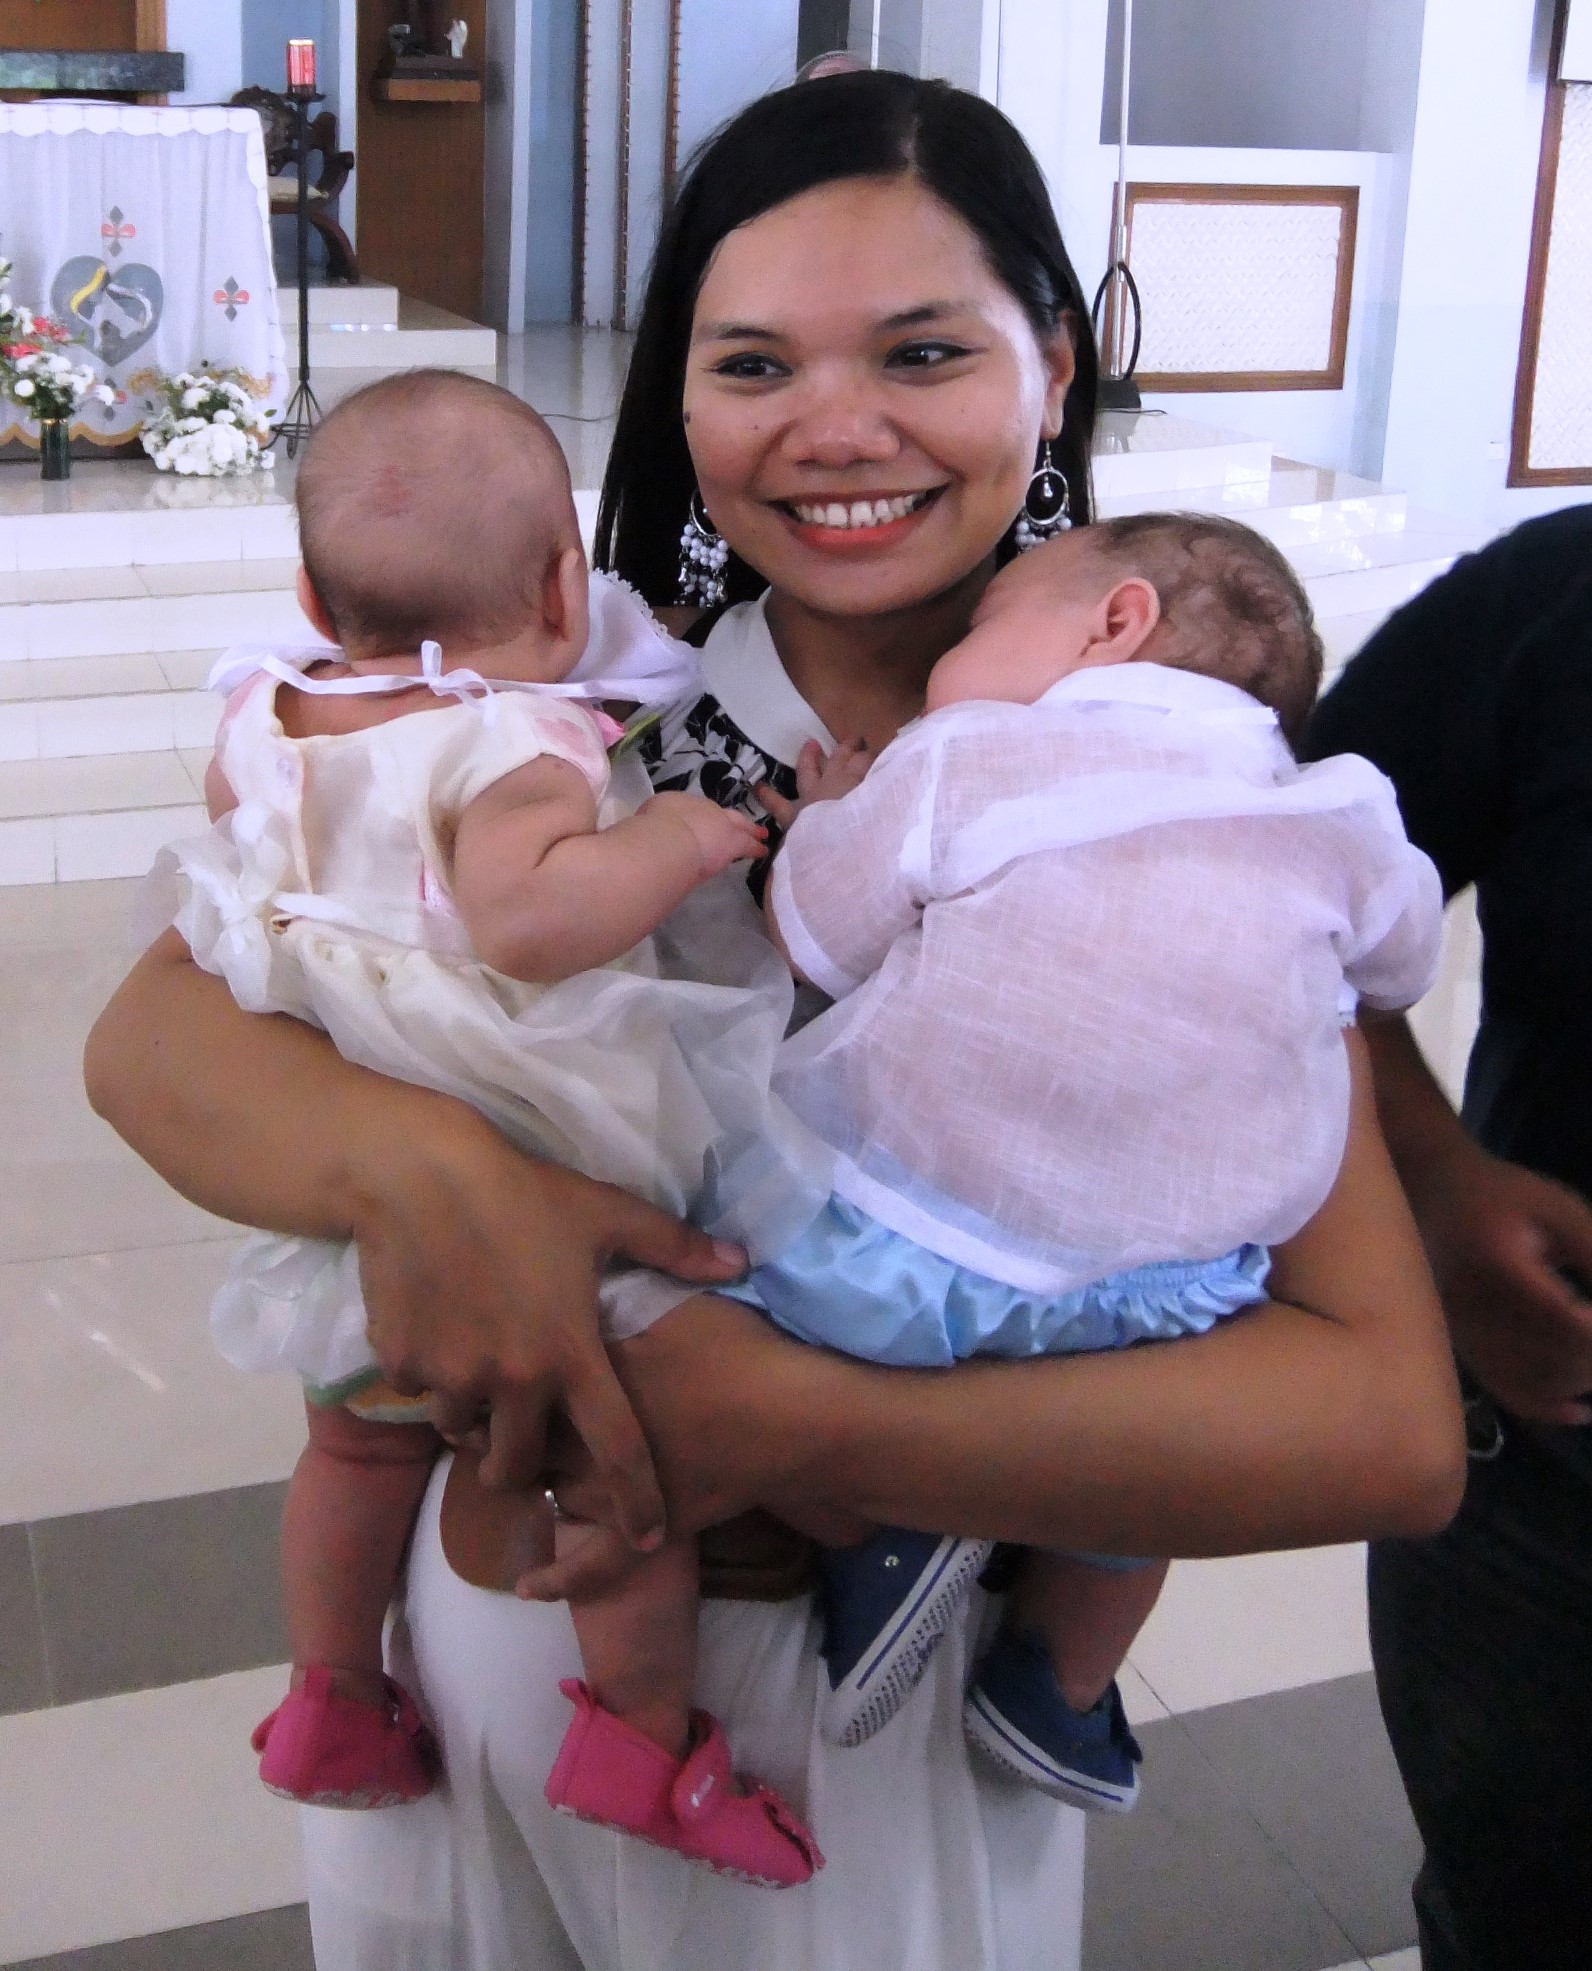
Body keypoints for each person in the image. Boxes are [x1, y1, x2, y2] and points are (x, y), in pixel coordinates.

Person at [85, 72, 1464, 1971]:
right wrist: (432, 1172)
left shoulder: (1171, 797)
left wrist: (808, 1423)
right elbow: (151, 1040)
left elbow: (1379, 1428)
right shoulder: (578, 721)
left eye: (920, 350)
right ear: (677, 400)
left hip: (884, 1729)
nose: (837, 430)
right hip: (507, 1650)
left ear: (1051, 367)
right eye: (751, 367)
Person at [172, 367, 824, 1882]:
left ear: (308, 593)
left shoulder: (263, 716)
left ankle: (333, 1694)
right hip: (532, 1162)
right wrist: (672, 830)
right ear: (559, 583)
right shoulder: (525, 737)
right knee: (616, 1482)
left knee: (348, 1450)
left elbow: (239, 837)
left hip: (357, 1196)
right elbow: (530, 926)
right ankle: (645, 1743)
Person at [693, 513, 1440, 1815]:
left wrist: (824, 818)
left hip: (905, 1259)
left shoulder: (968, 757)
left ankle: (873, 1524)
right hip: (1181, 1302)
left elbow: (813, 937)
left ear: (1115, 622)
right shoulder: (1332, 807)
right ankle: (1063, 1693)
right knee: (1134, 1507)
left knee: (708, 1279)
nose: (961, 650)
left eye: (990, 622)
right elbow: (1399, 962)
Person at [1303, 506, 1592, 1971]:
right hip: (1550, 1460)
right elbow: (1270, 872)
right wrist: (1432, 1178)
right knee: (1522, 1903)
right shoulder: (1564, 599)